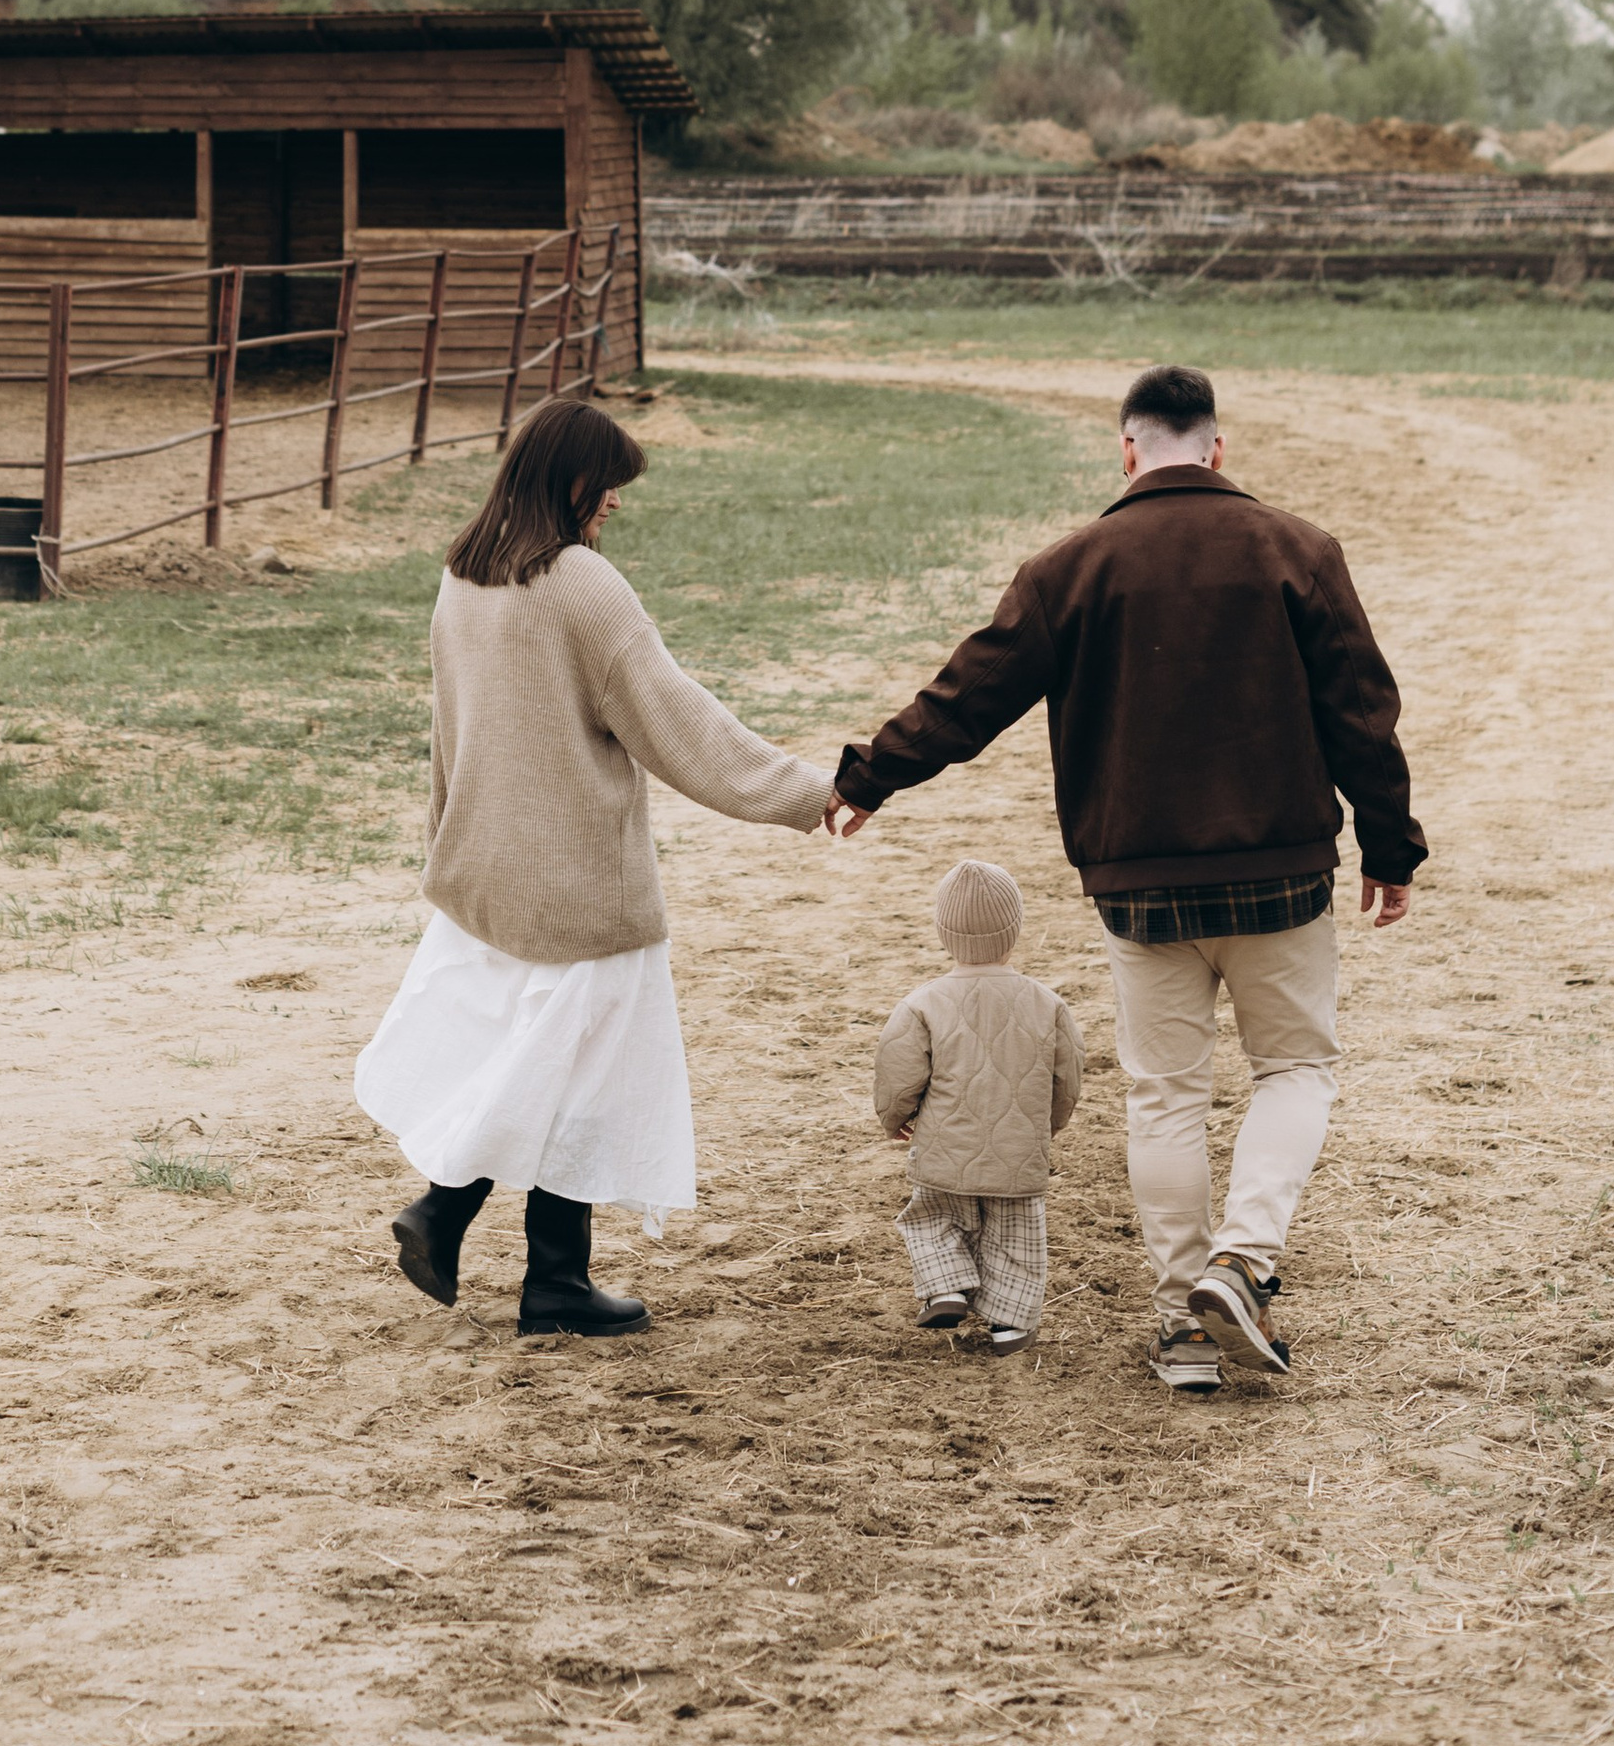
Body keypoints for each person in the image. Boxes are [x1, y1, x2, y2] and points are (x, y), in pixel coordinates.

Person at [825, 364, 1424, 1393]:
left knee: (1164, 1096)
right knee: (1293, 1070)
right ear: (1218, 448)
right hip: (1278, 869)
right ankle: (1244, 1257)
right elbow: (1360, 708)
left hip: (1138, 881)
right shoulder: (1299, 549)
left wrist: (872, 772)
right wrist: (1389, 843)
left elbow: (969, 692)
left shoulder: (1071, 566)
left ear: (1128, 448)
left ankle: (1180, 1327)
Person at [356, 391, 832, 1336]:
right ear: (566, 475)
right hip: (577, 879)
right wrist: (806, 792)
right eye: (605, 482)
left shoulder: (464, 573)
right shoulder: (580, 586)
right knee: (572, 1077)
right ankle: (494, 1245)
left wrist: (444, 837)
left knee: (537, 1064)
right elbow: (677, 720)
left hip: (489, 868)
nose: (613, 500)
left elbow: (445, 728)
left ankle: (533, 1267)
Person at [873, 854, 1083, 1351]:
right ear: (1015, 930)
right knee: (1015, 1237)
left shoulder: (922, 1002)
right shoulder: (1048, 1002)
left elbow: (897, 1074)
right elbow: (1068, 1077)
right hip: (1019, 1151)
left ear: (943, 932)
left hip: (946, 1146)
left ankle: (946, 1287)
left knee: (932, 1217)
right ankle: (1009, 1324)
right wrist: (1046, 1126)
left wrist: (895, 1120)